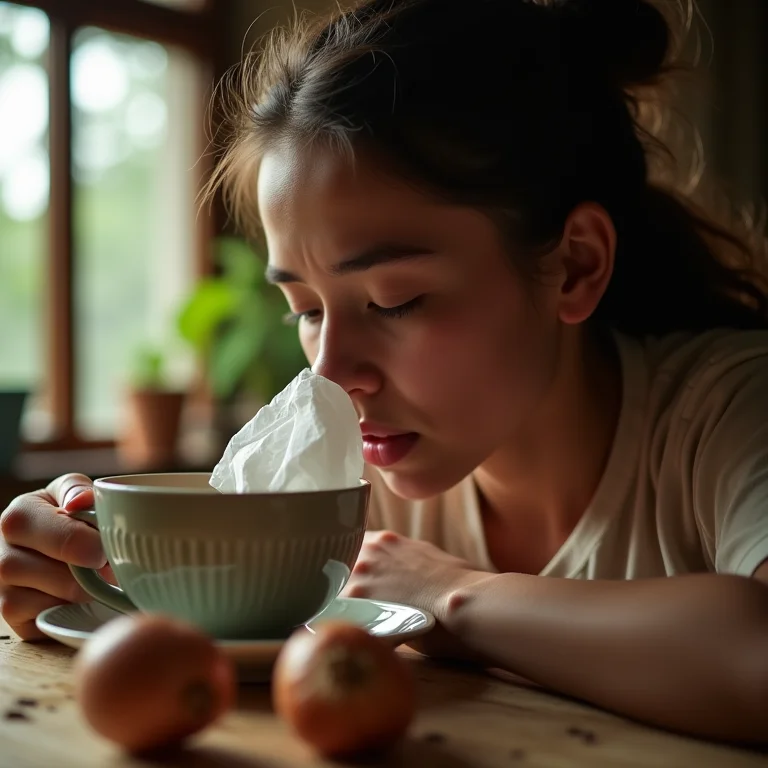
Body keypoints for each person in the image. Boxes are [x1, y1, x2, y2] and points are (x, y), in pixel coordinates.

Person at [2, 0, 768, 744]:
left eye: (394, 301)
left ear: (574, 266)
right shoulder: (355, 499)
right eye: (305, 308)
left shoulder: (727, 413)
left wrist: (449, 596)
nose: (333, 374)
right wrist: (81, 580)